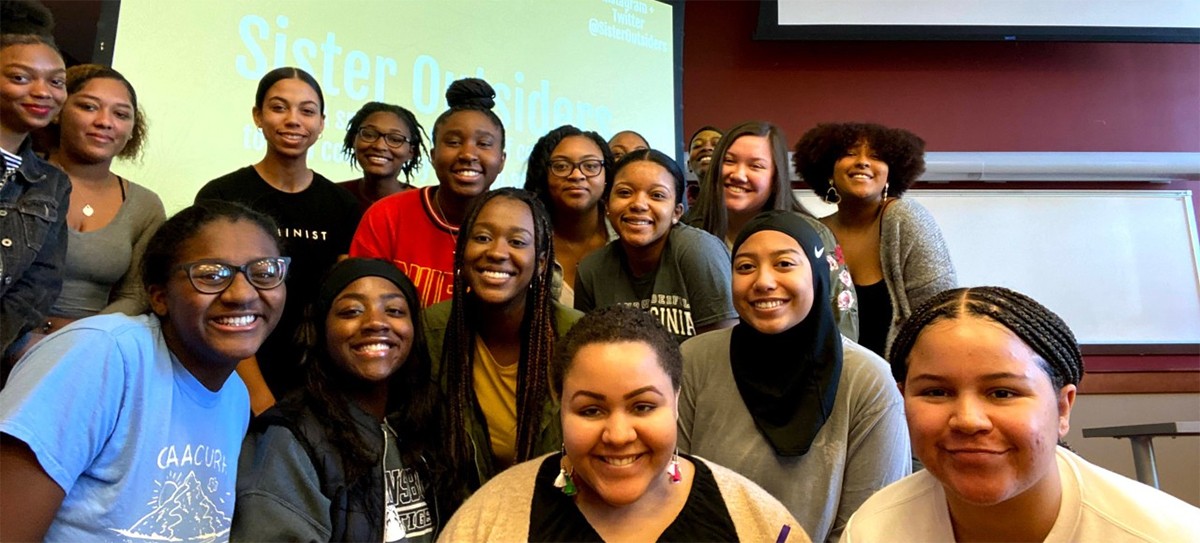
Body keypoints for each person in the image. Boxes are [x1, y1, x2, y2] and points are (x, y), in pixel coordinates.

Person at [0, 201, 285, 541]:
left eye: (265, 273)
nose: (243, 294)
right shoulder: (102, 354)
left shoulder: (235, 395)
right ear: (159, 297)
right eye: (211, 275)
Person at [845, 286, 1200, 542]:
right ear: (904, 398)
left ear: (1063, 407)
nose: (968, 420)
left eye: (1002, 392)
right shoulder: (876, 529)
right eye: (936, 392)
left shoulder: (1164, 534)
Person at [440, 305, 806, 542]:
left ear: (676, 401)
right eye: (591, 411)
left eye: (643, 406)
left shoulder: (755, 521)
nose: (618, 435)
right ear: (559, 404)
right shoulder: (487, 524)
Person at [679, 210, 910, 542]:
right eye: (745, 267)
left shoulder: (868, 381)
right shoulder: (694, 360)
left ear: (816, 274)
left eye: (784, 264)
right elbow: (672, 491)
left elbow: (868, 526)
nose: (763, 281)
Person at [232, 258, 442, 542]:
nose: (376, 323)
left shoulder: (422, 422)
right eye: (352, 311)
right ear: (322, 329)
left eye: (394, 310)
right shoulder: (289, 439)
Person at [196, 66, 360, 408]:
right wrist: (256, 394)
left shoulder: (342, 206)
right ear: (258, 116)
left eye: (307, 110)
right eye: (279, 107)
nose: (293, 120)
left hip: (318, 378)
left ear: (321, 123)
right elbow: (217, 297)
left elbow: (342, 300)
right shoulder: (223, 194)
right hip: (231, 371)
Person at [425, 188, 579, 499]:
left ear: (541, 262)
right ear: (461, 250)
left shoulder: (578, 337)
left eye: (518, 242)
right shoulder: (431, 330)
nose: (497, 251)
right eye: (482, 238)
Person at [687, 120, 860, 342]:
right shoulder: (691, 235)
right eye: (729, 162)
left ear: (775, 175)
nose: (739, 174)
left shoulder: (813, 235)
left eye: (755, 166)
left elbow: (842, 320)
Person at [793, 122, 956, 357]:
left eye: (876, 156)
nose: (862, 161)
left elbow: (941, 315)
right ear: (829, 170)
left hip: (898, 382)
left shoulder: (905, 218)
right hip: (831, 380)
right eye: (849, 154)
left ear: (891, 172)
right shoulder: (814, 233)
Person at [352, 78, 506, 308]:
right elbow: (362, 301)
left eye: (484, 144)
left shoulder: (515, 224)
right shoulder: (387, 216)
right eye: (453, 142)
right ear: (433, 156)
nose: (468, 154)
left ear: (502, 160)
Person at [43, 64, 165, 332]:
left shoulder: (145, 205)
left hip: (92, 351)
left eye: (121, 114)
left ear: (133, 129)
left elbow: (136, 295)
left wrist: (76, 340)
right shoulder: (19, 178)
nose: (105, 122)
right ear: (57, 113)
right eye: (88, 107)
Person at [576, 148, 737, 343]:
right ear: (607, 205)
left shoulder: (698, 251)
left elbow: (722, 352)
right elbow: (587, 352)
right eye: (625, 192)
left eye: (657, 195)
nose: (639, 204)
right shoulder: (592, 269)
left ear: (677, 213)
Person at [0, 31, 70, 375]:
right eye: (20, 78)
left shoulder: (52, 183)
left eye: (57, 81)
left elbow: (38, 286)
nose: (44, 92)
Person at [522, 124, 615, 306]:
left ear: (606, 178)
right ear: (544, 176)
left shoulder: (627, 238)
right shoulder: (527, 240)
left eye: (590, 166)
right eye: (562, 166)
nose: (577, 175)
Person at [338, 101, 427, 213]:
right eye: (369, 135)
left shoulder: (422, 206)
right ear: (353, 140)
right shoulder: (333, 196)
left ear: (412, 152)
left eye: (395, 139)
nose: (379, 146)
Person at [685, 125, 722, 208]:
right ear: (689, 165)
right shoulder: (684, 218)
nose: (706, 148)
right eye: (697, 146)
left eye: (716, 144)